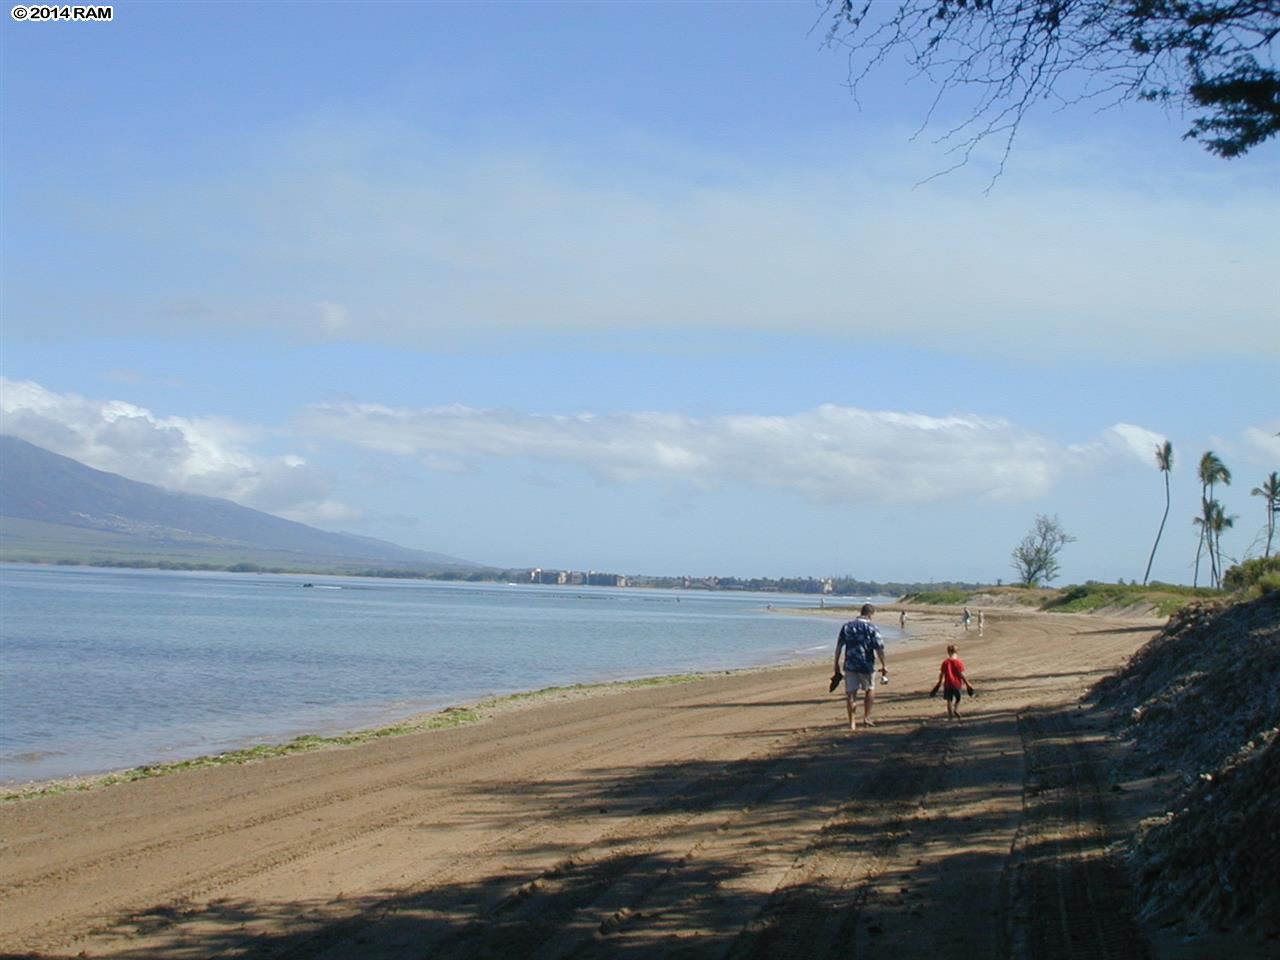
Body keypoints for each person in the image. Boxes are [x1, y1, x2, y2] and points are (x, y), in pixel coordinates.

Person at [833, 603, 888, 732]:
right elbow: (879, 648)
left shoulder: (847, 626)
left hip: (850, 664)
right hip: (866, 664)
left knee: (851, 694)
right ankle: (866, 717)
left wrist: (836, 664)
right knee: (870, 689)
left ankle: (852, 723)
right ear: (870, 614)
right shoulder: (872, 627)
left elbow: (839, 646)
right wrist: (884, 664)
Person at [930, 644, 975, 719]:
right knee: (958, 698)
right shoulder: (959, 662)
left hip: (947, 685)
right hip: (957, 684)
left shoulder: (945, 662)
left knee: (949, 701)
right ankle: (956, 709)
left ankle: (950, 716)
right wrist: (968, 684)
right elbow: (962, 674)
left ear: (948, 652)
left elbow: (941, 674)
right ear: (957, 652)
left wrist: (938, 684)